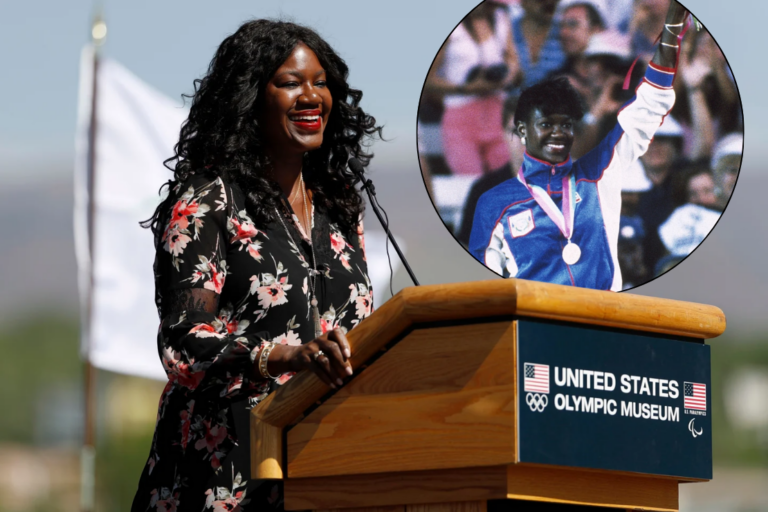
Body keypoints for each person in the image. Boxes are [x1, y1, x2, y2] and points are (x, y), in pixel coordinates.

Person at [131, 20, 379, 511]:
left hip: (324, 469)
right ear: (249, 99)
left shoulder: (338, 208)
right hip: (221, 475)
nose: (311, 96)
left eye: (321, 82)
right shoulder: (208, 202)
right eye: (290, 83)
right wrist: (283, 356)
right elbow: (184, 342)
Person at [468, 0, 689, 291]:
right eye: (546, 125)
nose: (558, 133)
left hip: (603, 321)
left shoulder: (599, 172)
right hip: (537, 326)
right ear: (522, 130)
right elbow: (485, 286)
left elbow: (648, 108)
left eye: (566, 124)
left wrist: (671, 38)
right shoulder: (494, 202)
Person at [424, 1, 519, 176]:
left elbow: (513, 60)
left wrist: (506, 76)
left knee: (506, 180)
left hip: (497, 113)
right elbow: (428, 80)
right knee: (469, 182)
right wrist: (467, 88)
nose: (493, 8)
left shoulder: (500, 17)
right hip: (460, 116)